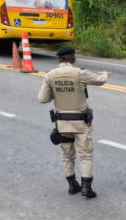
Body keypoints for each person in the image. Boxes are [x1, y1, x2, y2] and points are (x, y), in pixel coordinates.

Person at [37, 46, 112, 198]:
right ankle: (86, 188)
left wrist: (56, 92)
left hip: (62, 124)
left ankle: (72, 185)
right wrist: (104, 73)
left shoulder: (50, 76)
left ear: (59, 59)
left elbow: (42, 99)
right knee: (85, 155)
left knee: (67, 154)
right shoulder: (79, 73)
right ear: (73, 58)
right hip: (80, 123)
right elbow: (100, 80)